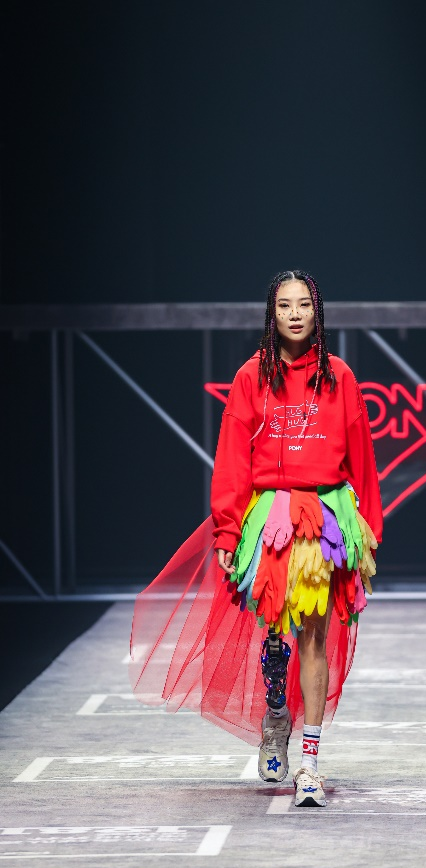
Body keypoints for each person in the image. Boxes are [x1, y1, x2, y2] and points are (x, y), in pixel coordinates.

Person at [129, 269, 383, 808]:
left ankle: (310, 762)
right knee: (273, 632)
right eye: (284, 305)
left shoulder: (340, 376)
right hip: (270, 513)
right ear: (272, 314)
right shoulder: (251, 376)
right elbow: (232, 457)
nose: (295, 314)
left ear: (318, 312)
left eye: (304, 304)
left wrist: (370, 532)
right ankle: (276, 714)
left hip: (326, 516)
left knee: (314, 635)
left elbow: (362, 457)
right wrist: (227, 527)